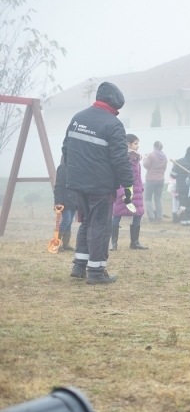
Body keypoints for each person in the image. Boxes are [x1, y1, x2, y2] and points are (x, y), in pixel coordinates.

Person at [63, 82, 134, 284]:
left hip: (78, 182)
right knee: (100, 226)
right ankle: (96, 272)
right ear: (115, 105)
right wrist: (128, 185)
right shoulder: (113, 124)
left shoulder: (78, 118)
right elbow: (120, 159)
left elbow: (66, 148)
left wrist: (75, 173)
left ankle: (79, 265)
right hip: (100, 186)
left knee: (86, 222)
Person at [111, 134, 148, 250]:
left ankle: (134, 242)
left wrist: (141, 187)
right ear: (128, 144)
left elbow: (139, 174)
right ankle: (114, 243)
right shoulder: (122, 158)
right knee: (117, 215)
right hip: (124, 190)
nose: (138, 146)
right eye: (135, 143)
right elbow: (118, 176)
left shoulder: (136, 158)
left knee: (137, 214)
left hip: (136, 190)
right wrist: (122, 192)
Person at [53, 155, 78, 252]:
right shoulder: (63, 168)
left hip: (73, 199)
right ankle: (57, 243)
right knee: (67, 220)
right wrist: (58, 201)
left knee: (70, 221)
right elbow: (59, 185)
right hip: (65, 200)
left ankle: (66, 244)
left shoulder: (75, 168)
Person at [170, 146, 190, 225]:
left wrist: (174, 166)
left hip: (181, 188)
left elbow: (173, 175)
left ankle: (183, 221)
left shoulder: (178, 162)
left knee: (182, 203)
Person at [143, 141, 167, 222]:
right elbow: (164, 168)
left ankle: (152, 216)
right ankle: (159, 217)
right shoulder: (164, 156)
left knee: (147, 199)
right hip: (160, 179)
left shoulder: (151, 155)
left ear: (154, 146)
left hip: (151, 179)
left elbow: (146, 165)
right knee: (158, 199)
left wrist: (144, 159)